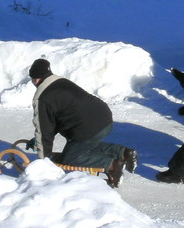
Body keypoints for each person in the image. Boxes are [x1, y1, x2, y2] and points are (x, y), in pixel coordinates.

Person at [28, 58, 138, 187]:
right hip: (104, 117)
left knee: (70, 158)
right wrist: (38, 141)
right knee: (86, 144)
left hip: (86, 127)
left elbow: (44, 130)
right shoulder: (61, 81)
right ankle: (124, 153)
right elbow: (54, 121)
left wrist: (43, 162)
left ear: (35, 79)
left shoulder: (42, 97)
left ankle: (113, 165)